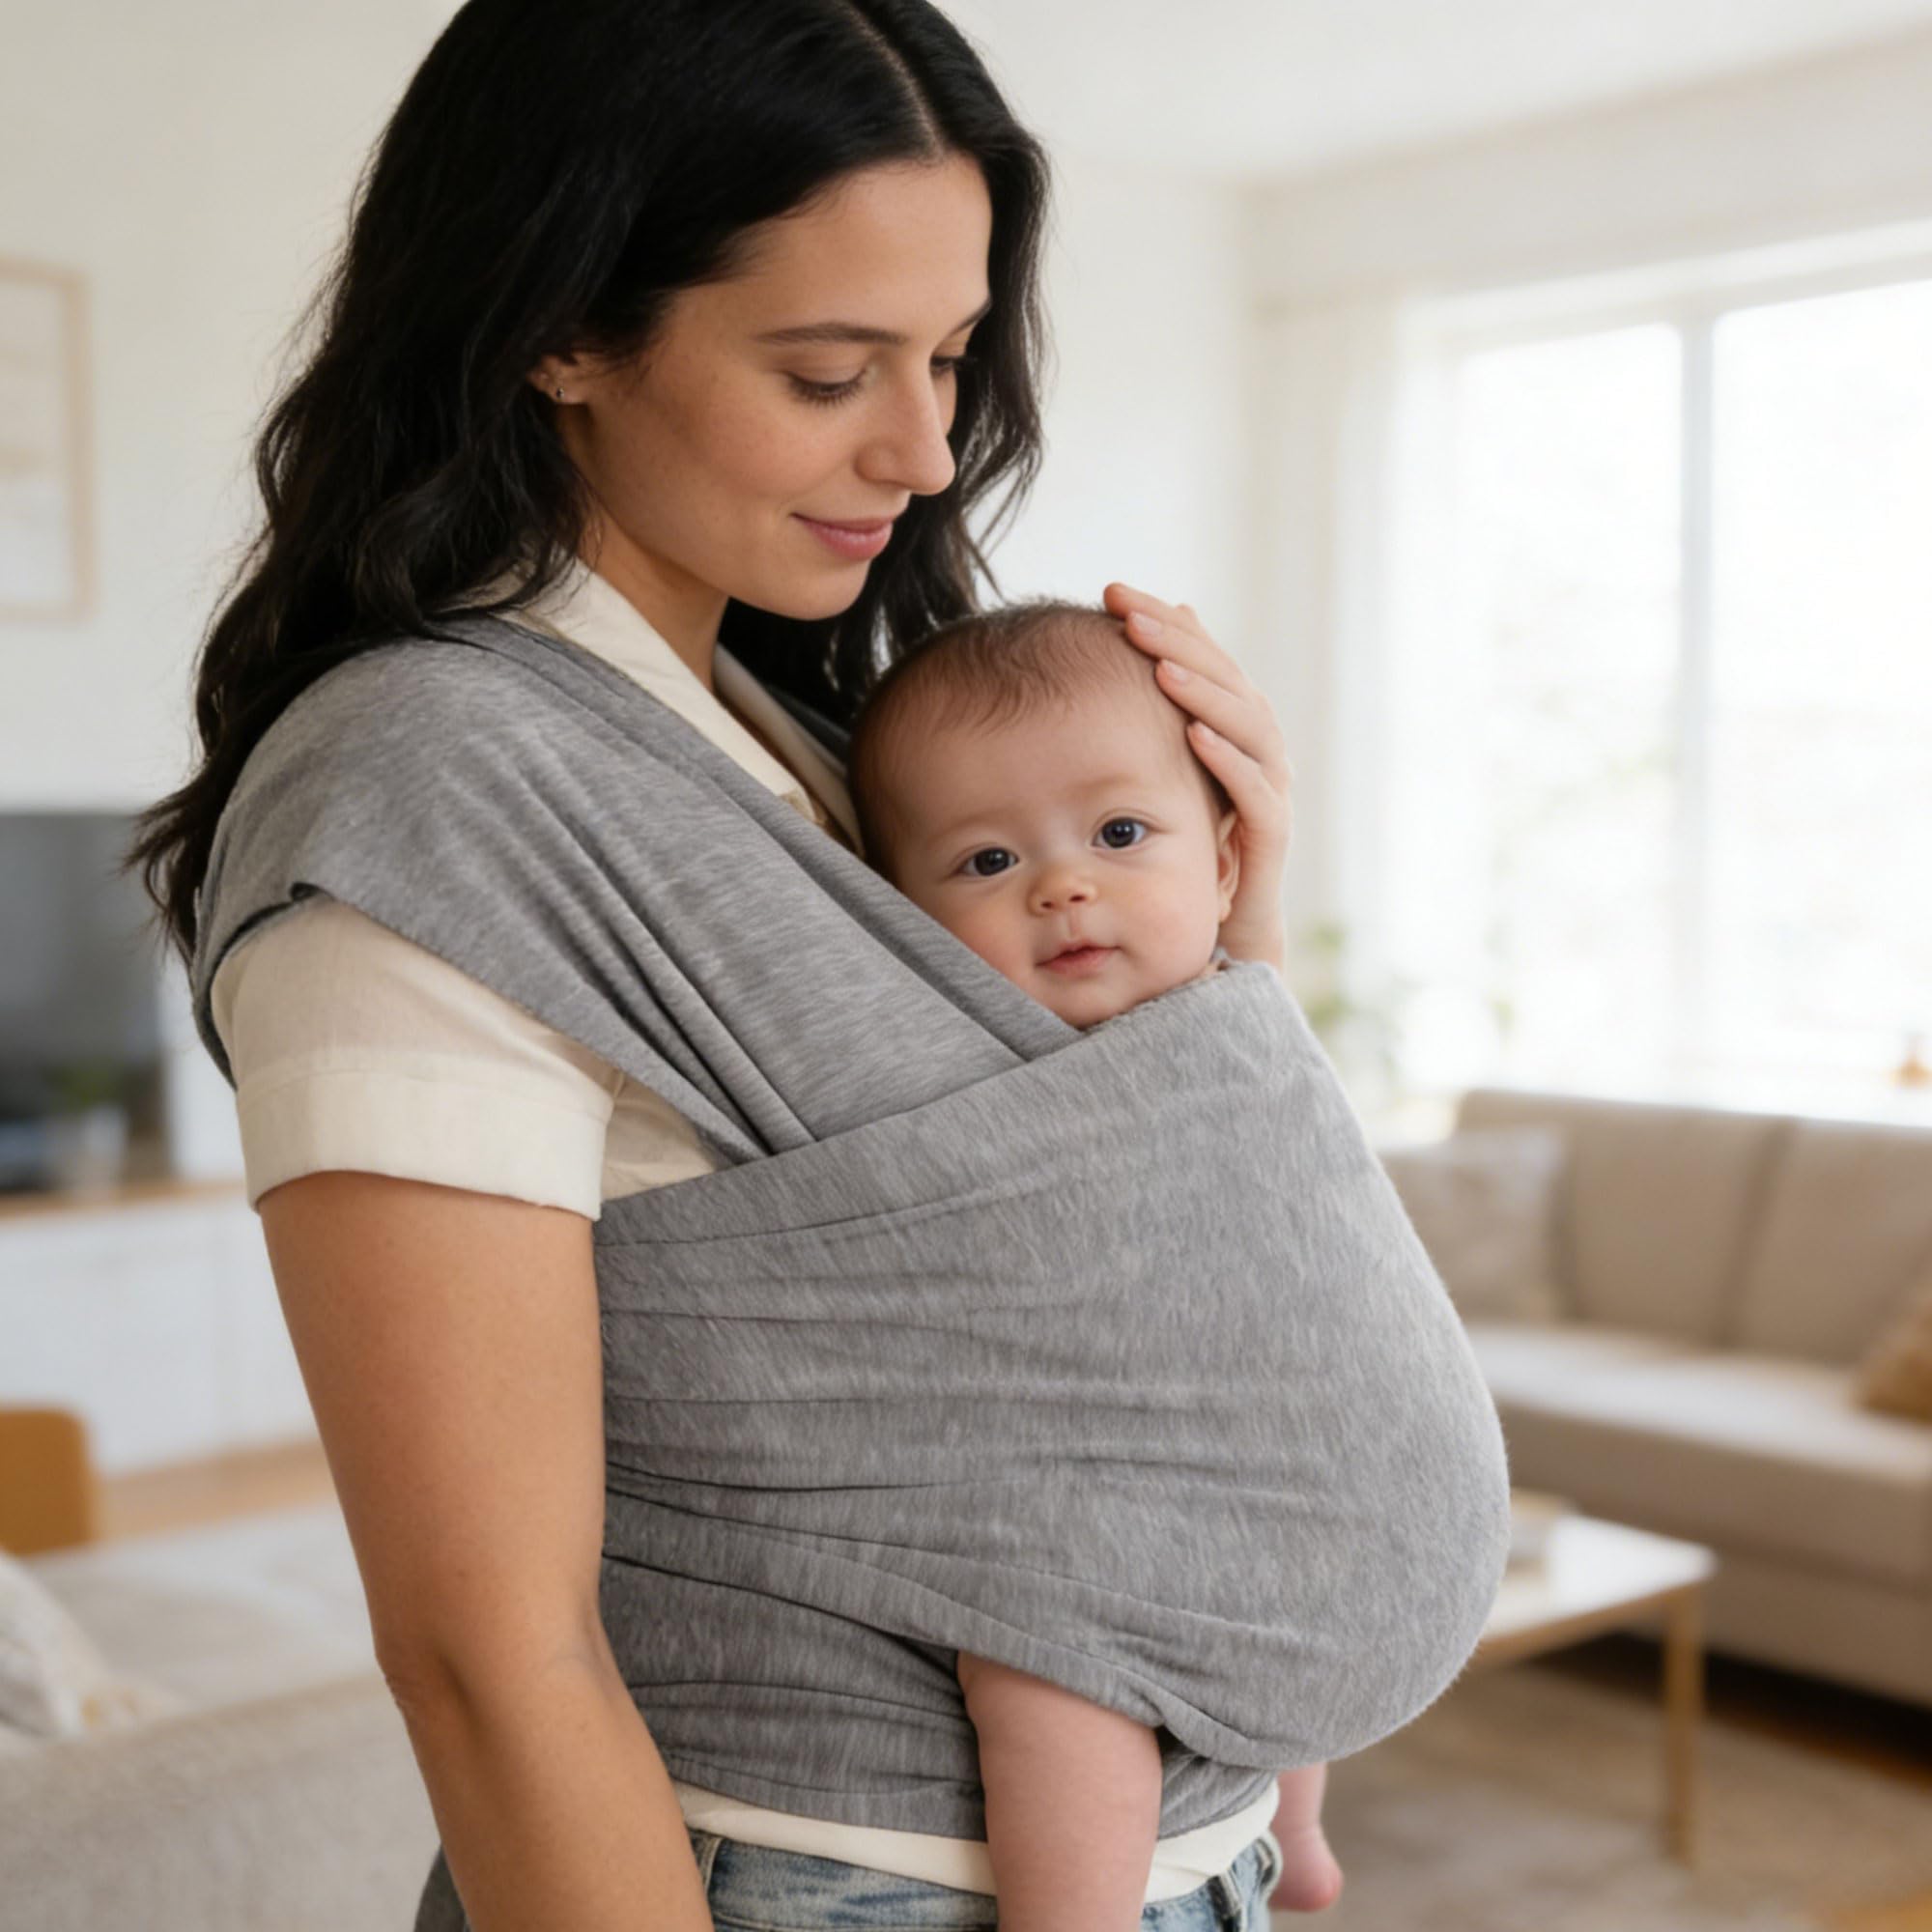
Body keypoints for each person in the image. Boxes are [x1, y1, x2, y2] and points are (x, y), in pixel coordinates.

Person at [128, 2, 1298, 1927]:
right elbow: (489, 1658)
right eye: (831, 368)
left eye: (945, 354)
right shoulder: (433, 793)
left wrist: (1234, 916)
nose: (925, 447)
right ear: (557, 329)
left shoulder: (807, 745)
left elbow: (1123, 1241)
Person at [844, 598, 1346, 1926]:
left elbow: (1300, 1134)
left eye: (1121, 836)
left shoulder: (1234, 1015)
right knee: (1044, 1665)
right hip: (1083, 1486)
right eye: (986, 861)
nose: (1062, 887)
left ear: (1226, 867)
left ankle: (1298, 1820)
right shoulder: (974, 1062)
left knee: (1302, 1622)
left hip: (1266, 1447)